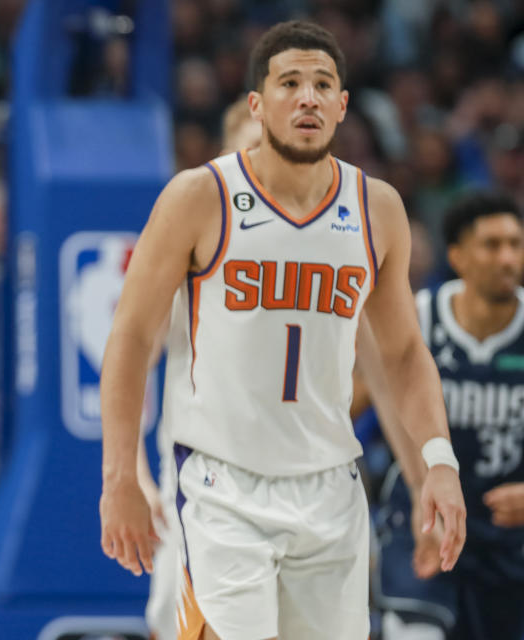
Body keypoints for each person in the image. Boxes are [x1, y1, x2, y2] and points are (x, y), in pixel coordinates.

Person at [99, 20, 467, 640]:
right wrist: (120, 477)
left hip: (330, 486)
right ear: (256, 103)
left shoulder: (377, 208)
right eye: (290, 82)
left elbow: (401, 354)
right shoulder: (199, 196)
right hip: (222, 485)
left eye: (323, 84)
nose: (308, 97)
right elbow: (131, 339)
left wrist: (437, 461)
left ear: (343, 105)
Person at [371, 192, 524, 640]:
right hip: (426, 515)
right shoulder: (418, 318)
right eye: (492, 245)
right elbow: (361, 398)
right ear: (457, 256)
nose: (508, 258)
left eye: (516, 244)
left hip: (509, 532)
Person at [141, 95, 262, 640]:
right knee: (176, 616)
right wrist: (132, 474)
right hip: (197, 470)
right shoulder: (193, 236)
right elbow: (132, 357)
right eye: (254, 149)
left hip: (298, 477)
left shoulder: (329, 245)